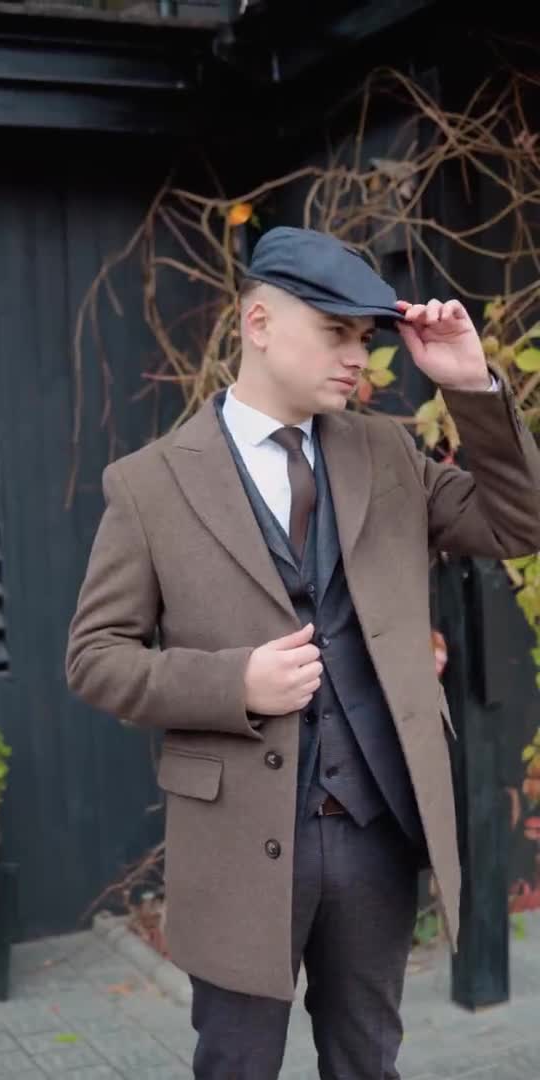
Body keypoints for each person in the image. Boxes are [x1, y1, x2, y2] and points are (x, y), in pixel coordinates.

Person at [65, 226, 540, 1079]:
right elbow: (96, 656)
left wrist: (472, 386)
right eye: (336, 332)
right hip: (236, 834)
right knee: (237, 1066)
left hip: (374, 827)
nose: (357, 357)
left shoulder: (390, 452)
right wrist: (232, 681)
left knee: (368, 1061)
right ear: (257, 323)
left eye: (365, 338)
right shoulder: (149, 484)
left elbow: (520, 522)